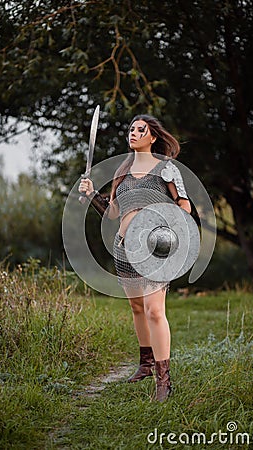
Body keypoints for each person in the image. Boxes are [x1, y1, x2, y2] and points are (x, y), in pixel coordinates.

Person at [79, 115, 191, 402]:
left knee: (155, 311)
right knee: (138, 308)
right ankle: (145, 364)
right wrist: (93, 195)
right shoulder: (123, 172)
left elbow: (185, 206)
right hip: (123, 248)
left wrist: (166, 228)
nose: (134, 132)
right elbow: (113, 213)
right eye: (131, 129)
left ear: (153, 137)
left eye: (141, 129)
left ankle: (164, 382)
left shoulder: (166, 169)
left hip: (155, 249)